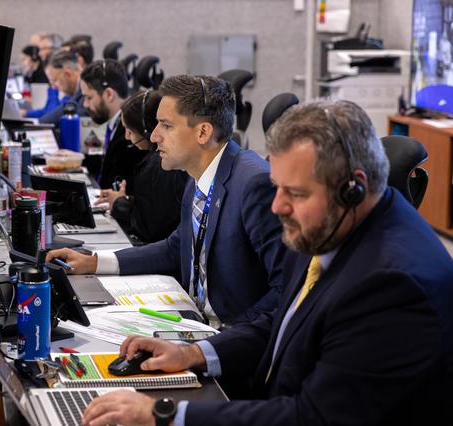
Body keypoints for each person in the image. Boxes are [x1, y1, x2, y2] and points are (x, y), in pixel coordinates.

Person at [81, 99, 453, 426]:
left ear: (353, 188)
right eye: (277, 187)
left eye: (295, 193)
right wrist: (193, 354)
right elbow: (281, 322)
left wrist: (165, 416)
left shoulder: (391, 285)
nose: (277, 206)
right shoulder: (330, 224)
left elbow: (312, 418)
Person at [48, 75, 286, 327]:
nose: (154, 136)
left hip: (232, 336)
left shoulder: (254, 185)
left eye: (165, 125)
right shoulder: (199, 175)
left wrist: (224, 341)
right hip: (198, 323)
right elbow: (177, 247)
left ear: (203, 132)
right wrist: (94, 262)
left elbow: (286, 289)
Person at [95, 89, 188, 243]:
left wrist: (118, 203)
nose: (127, 137)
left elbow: (149, 227)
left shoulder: (160, 165)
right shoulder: (158, 160)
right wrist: (126, 199)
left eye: (130, 131)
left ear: (146, 131)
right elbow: (159, 206)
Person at [79, 59, 147, 192]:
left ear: (109, 94)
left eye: (89, 97)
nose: (85, 105)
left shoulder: (130, 135)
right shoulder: (115, 125)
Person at [38, 49, 89, 125]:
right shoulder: (74, 94)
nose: (54, 87)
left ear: (67, 74)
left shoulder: (87, 89)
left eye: (55, 80)